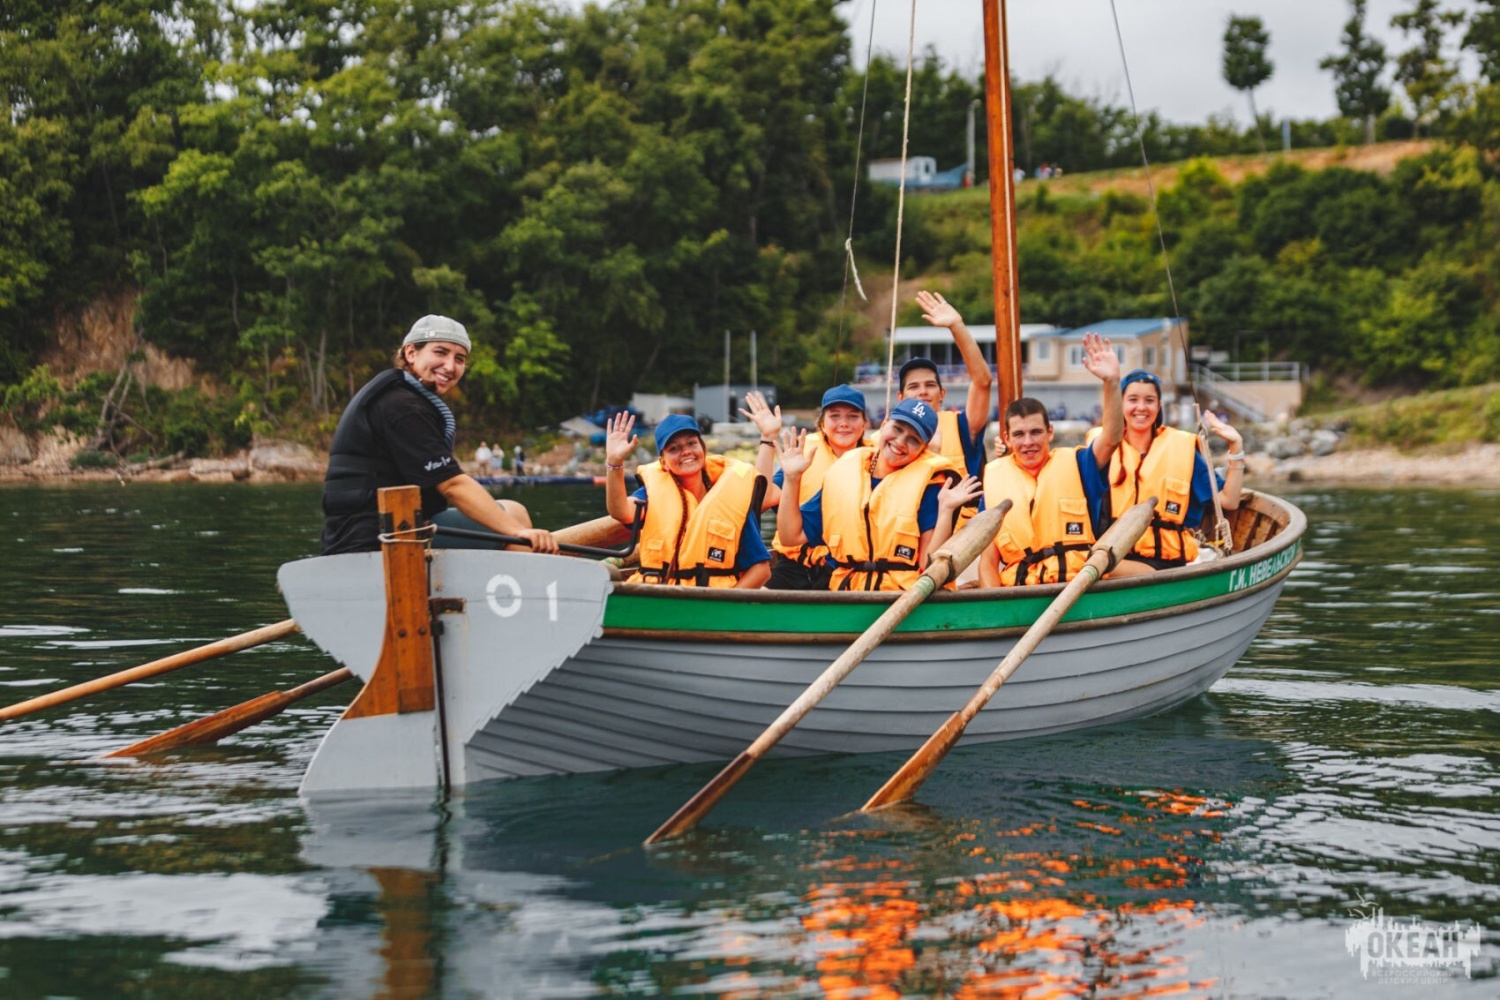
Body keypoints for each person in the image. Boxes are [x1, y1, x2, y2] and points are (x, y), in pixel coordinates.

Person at [320, 315, 557, 556]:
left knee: (514, 511)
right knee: (516, 539)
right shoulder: (401, 406)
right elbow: (452, 485)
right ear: (411, 353)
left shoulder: (406, 398)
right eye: (440, 352)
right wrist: (518, 533)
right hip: (374, 539)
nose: (450, 366)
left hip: (406, 523)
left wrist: (515, 527)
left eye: (459, 358)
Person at [776, 397, 982, 592]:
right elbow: (790, 536)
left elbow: (928, 566)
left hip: (900, 597)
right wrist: (792, 479)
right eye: (897, 429)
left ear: (923, 449)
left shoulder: (928, 485)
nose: (900, 441)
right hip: (846, 594)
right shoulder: (844, 472)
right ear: (884, 426)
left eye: (913, 439)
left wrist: (946, 510)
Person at [978, 332, 1121, 587]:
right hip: (1022, 595)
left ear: (1050, 433)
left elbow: (1111, 438)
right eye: (1019, 435)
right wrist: (997, 611)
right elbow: (988, 561)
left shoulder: (1080, 465)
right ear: (1007, 438)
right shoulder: (993, 483)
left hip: (1077, 589)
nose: (1028, 442)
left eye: (1036, 432)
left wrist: (1111, 382)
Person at [1101, 369, 1245, 575]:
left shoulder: (1182, 449)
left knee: (1090, 567)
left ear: (1159, 406)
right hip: (1109, 551)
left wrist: (1236, 447)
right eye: (1133, 399)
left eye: (1149, 400)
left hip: (1163, 563)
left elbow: (1229, 501)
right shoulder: (1103, 449)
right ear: (1120, 404)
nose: (1141, 407)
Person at [604, 412, 771, 588]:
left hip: (714, 605)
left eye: (692, 443)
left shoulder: (733, 500)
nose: (686, 452)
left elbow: (761, 569)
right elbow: (620, 511)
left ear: (703, 449)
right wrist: (614, 462)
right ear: (663, 462)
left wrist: (725, 608)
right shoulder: (650, 494)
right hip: (657, 598)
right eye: (674, 448)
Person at [749, 384, 871, 590]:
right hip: (795, 565)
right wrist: (768, 438)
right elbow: (762, 499)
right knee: (758, 606)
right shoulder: (803, 452)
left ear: (864, 424)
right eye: (835, 416)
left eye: (853, 416)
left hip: (847, 567)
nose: (844, 423)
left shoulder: (877, 459)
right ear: (822, 423)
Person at [900, 291, 994, 483]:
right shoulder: (888, 438)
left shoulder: (963, 427)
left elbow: (982, 381)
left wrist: (956, 326)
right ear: (900, 397)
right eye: (913, 386)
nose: (923, 391)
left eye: (930, 385)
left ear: (942, 394)